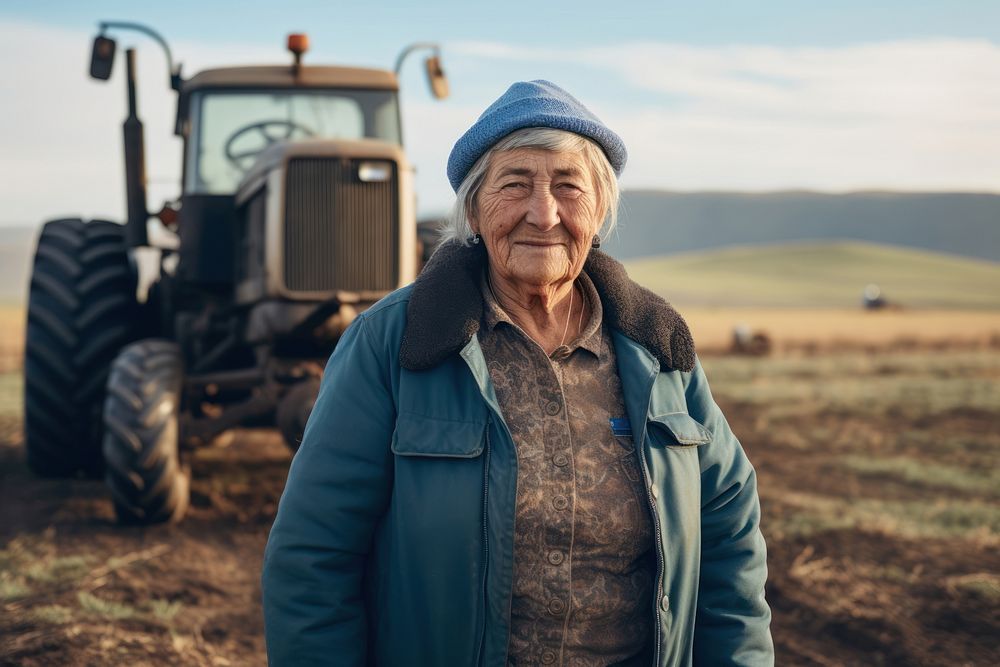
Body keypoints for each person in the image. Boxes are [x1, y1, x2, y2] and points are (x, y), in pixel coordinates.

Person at [262, 80, 773, 667]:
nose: (544, 212)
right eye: (515, 184)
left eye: (567, 186)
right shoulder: (393, 343)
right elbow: (312, 558)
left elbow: (729, 534)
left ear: (599, 210)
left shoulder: (656, 349)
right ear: (475, 210)